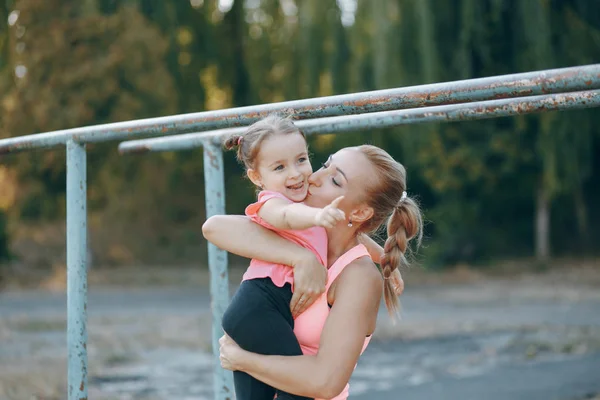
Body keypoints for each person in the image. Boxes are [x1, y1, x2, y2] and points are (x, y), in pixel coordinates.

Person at [203, 140, 422, 399]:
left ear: (360, 212)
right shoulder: (294, 234)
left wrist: (242, 360)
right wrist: (301, 258)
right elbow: (214, 227)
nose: (314, 178)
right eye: (325, 165)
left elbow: (326, 382)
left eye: (335, 181)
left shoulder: (359, 277)